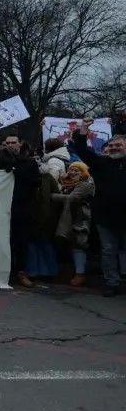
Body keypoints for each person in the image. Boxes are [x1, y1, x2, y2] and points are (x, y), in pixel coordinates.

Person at [0, 132, 41, 287]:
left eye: (14, 142)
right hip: (1, 209)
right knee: (1, 241)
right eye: (7, 143)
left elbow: (35, 181)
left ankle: (21, 272)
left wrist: (14, 169)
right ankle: (2, 271)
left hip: (21, 209)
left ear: (20, 144)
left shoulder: (29, 163)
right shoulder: (0, 162)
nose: (11, 145)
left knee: (21, 243)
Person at [73, 120, 126, 297]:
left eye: (118, 145)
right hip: (105, 216)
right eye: (110, 145)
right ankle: (112, 282)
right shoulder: (101, 163)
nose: (114, 148)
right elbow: (81, 150)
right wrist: (83, 130)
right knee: (108, 250)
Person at [52, 162, 95, 286]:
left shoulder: (86, 184)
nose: (73, 172)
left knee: (79, 244)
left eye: (77, 170)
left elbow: (72, 198)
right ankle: (75, 271)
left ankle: (80, 274)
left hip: (82, 218)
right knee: (72, 244)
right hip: (71, 216)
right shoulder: (67, 183)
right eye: (71, 169)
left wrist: (52, 196)